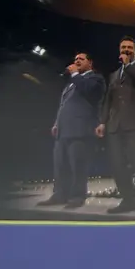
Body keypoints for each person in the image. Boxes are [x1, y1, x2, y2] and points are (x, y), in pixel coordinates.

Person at [95, 36, 135, 218]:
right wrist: (102, 122)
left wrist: (129, 65)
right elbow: (108, 100)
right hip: (115, 126)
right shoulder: (114, 75)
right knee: (118, 165)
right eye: (123, 47)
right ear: (119, 50)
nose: (126, 50)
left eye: (130, 47)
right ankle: (128, 201)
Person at [38, 52, 105, 209]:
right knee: (60, 165)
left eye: (81, 59)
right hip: (63, 130)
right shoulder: (72, 83)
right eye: (75, 59)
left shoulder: (96, 79)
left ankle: (77, 196)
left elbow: (90, 91)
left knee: (78, 165)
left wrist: (75, 74)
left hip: (80, 129)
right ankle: (60, 195)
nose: (77, 61)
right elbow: (64, 104)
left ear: (90, 63)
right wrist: (57, 123)